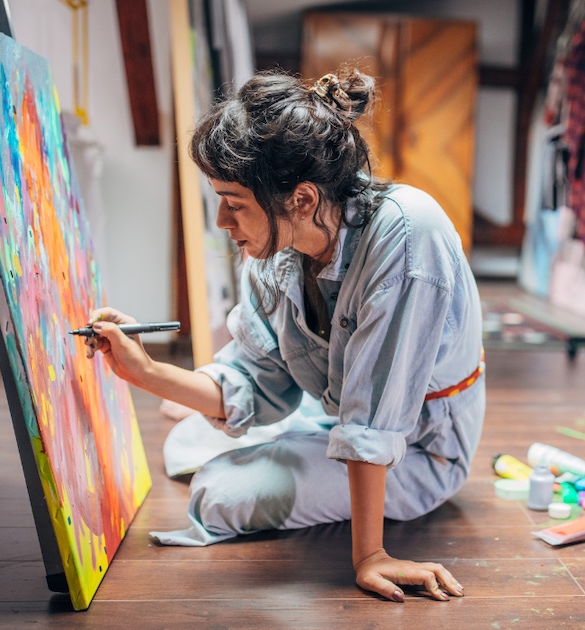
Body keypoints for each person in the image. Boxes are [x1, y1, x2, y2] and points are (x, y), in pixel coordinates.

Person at [86, 68, 485, 603]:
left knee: (218, 494)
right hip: (335, 412)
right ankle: (289, 443)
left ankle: (294, 451)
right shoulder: (277, 252)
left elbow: (372, 418)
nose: (224, 221)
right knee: (187, 439)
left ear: (300, 199)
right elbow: (257, 382)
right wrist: (146, 372)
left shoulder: (410, 236)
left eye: (234, 201)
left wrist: (371, 557)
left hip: (419, 448)